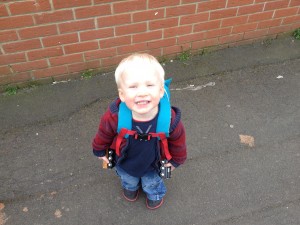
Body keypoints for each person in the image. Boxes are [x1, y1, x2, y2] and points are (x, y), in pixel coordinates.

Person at [92, 53, 187, 210]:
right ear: (122, 94)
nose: (142, 92)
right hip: (125, 160)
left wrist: (176, 160)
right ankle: (131, 188)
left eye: (150, 85)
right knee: (128, 178)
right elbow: (104, 133)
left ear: (161, 91)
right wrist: (99, 150)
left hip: (154, 163)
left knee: (153, 182)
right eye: (133, 86)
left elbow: (178, 141)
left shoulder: (169, 119)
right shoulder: (115, 115)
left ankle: (154, 194)